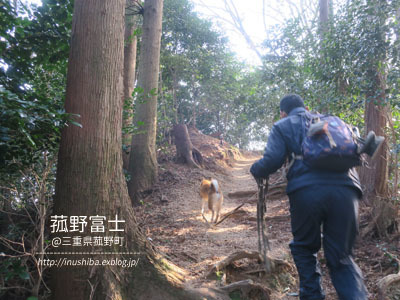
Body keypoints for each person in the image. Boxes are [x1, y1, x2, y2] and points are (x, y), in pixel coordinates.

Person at [250, 94, 368, 300]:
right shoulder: (331, 121)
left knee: (305, 248)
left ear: (282, 112)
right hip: (347, 190)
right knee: (342, 257)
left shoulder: (283, 125)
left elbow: (272, 160)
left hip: (306, 191)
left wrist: (256, 170)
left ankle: (312, 296)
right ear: (306, 107)